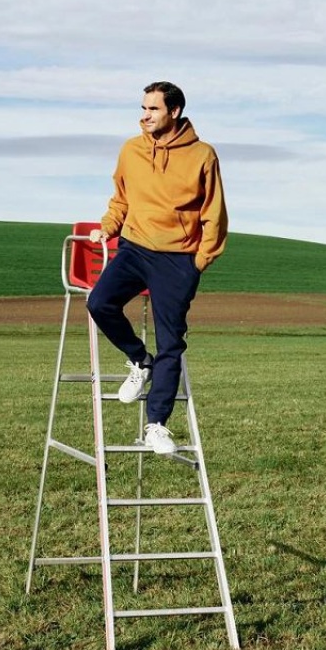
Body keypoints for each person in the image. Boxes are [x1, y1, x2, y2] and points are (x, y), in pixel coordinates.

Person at [86, 81, 228, 455]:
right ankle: (138, 359)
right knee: (99, 303)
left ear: (174, 111)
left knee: (171, 342)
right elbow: (121, 197)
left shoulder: (202, 155)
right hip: (134, 247)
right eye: (143, 108)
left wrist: (198, 262)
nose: (144, 115)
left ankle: (156, 425)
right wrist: (109, 225)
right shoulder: (131, 150)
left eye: (153, 109)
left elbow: (214, 214)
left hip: (178, 259)